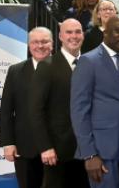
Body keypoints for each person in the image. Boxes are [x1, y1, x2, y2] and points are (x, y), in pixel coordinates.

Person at [70, 16, 119, 188]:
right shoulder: (88, 61)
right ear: (105, 33)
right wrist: (89, 154)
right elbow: (79, 111)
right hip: (102, 151)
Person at [30, 19, 89, 188]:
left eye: (77, 32)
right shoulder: (47, 66)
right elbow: (35, 111)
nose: (74, 36)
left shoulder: (91, 64)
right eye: (69, 32)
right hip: (57, 151)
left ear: (83, 35)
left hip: (87, 150)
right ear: (60, 36)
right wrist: (45, 147)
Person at [0, 27, 53, 188]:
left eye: (44, 41)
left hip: (56, 147)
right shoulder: (15, 71)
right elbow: (6, 110)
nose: (40, 46)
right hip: (25, 147)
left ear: (52, 44)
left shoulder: (65, 69)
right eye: (35, 42)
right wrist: (8, 143)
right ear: (29, 45)